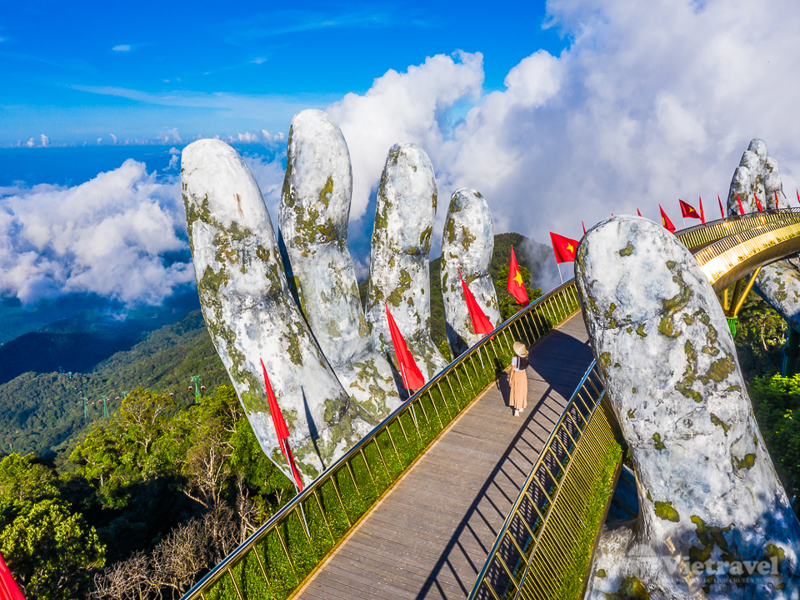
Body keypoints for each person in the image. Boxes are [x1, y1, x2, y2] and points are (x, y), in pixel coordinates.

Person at [510, 342, 528, 417]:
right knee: (523, 390)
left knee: (516, 391)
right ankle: (521, 406)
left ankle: (516, 409)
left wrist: (511, 379)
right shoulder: (526, 358)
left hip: (516, 375)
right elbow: (527, 352)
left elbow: (512, 370)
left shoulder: (514, 358)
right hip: (523, 374)